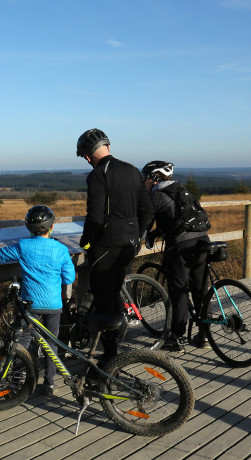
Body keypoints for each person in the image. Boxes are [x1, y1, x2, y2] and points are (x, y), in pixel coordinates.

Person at [76, 128, 153, 361]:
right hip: (129, 245)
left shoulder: (98, 174)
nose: (87, 161)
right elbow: (147, 210)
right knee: (115, 295)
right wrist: (137, 235)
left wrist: (86, 242)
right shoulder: (132, 170)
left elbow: (96, 217)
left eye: (85, 156)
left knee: (103, 302)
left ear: (90, 154)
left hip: (106, 246)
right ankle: (114, 352)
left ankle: (109, 358)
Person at [0, 205, 75, 396]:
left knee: (22, 342)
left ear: (29, 228)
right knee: (51, 344)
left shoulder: (23, 246)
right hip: (53, 305)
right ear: (51, 228)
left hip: (29, 305)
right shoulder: (60, 249)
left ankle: (17, 380)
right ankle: (49, 383)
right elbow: (69, 278)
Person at [142, 160, 210, 350]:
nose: (144, 182)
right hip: (203, 241)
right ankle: (205, 336)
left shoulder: (157, 195)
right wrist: (156, 233)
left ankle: (177, 337)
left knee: (178, 291)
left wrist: (141, 235)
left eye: (145, 178)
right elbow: (172, 218)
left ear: (154, 178)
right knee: (200, 288)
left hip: (181, 246)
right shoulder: (182, 190)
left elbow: (145, 220)